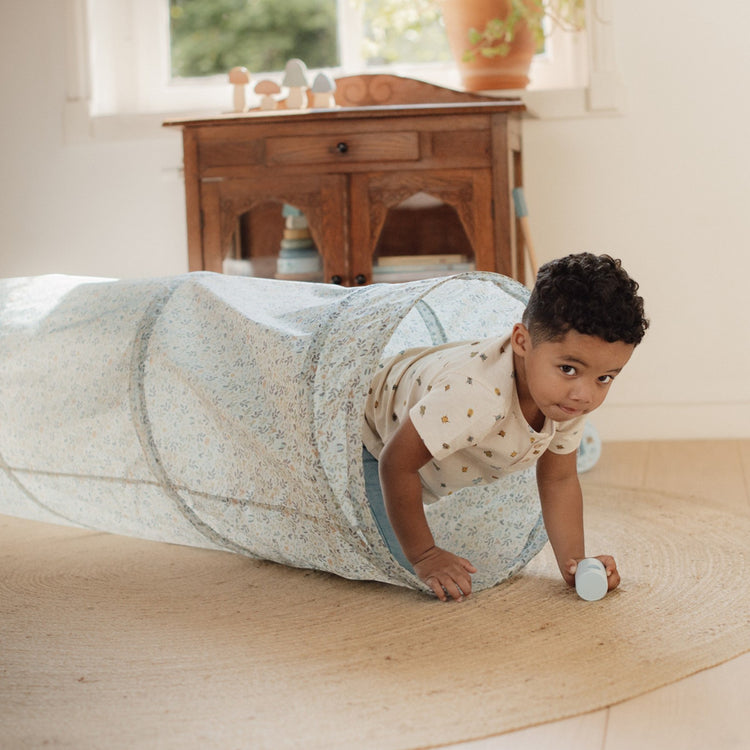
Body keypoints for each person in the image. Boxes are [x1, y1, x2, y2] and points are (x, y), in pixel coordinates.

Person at [362, 252, 649, 601]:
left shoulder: (566, 400)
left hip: (423, 444)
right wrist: (425, 556)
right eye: (569, 369)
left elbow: (558, 478)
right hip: (367, 441)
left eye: (604, 377)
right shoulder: (475, 396)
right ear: (521, 341)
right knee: (396, 565)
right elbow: (396, 463)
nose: (584, 394)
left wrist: (576, 567)